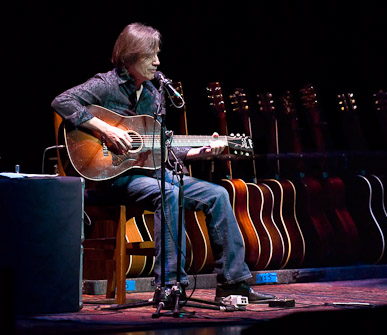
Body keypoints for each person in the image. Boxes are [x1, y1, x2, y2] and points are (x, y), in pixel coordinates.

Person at [51, 22, 275, 303]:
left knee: (217, 194)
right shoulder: (106, 85)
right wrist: (105, 130)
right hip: (110, 176)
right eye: (149, 55)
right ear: (130, 55)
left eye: (157, 54)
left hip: (149, 173)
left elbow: (162, 148)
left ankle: (233, 283)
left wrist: (200, 153)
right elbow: (63, 101)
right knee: (169, 194)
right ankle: (169, 287)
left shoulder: (154, 94)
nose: (157, 62)